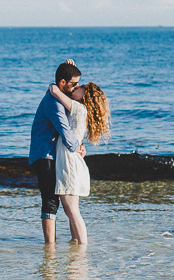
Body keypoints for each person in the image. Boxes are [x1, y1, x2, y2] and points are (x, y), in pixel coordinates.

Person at [29, 59, 86, 244]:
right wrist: (77, 147)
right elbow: (66, 133)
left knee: (62, 202)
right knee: (50, 201)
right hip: (45, 154)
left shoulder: (60, 96)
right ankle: (50, 246)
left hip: (54, 154)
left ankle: (67, 242)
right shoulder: (54, 103)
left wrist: (80, 144)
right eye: (74, 84)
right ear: (63, 83)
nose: (77, 87)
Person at [48, 80, 110, 244]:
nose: (77, 86)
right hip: (72, 162)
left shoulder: (79, 109)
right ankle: (75, 244)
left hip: (70, 163)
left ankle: (82, 247)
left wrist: (53, 85)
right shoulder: (80, 110)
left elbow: (55, 90)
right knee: (71, 211)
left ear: (86, 95)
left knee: (72, 210)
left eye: (81, 87)